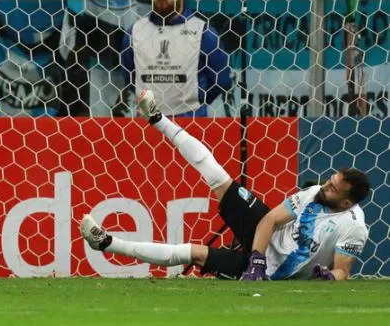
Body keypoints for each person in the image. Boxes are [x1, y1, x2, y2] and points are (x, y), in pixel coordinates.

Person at [81, 89, 371, 281]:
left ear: (347, 203)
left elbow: (343, 269)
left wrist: (329, 277)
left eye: (333, 189)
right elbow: (270, 219)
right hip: (263, 240)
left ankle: (106, 243)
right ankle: (158, 119)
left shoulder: (354, 225)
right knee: (220, 178)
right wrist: (257, 256)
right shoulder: (314, 192)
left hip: (270, 276)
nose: (325, 187)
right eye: (330, 180)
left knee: (193, 253)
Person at [120, 0, 231, 117]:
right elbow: (130, 76)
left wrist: (193, 103)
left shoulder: (202, 32)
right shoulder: (135, 31)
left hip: (191, 124)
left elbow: (221, 80)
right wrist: (151, 111)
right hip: (149, 122)